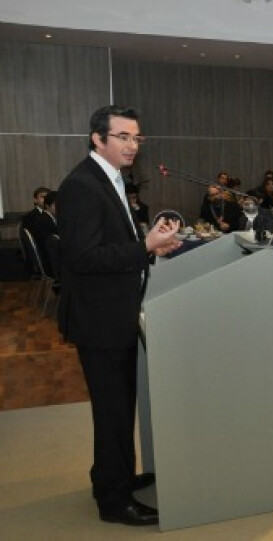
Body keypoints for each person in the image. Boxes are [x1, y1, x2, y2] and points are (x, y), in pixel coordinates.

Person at [57, 105, 182, 526]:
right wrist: (144, 246)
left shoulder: (108, 178)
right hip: (100, 319)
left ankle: (112, 479)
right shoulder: (81, 185)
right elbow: (84, 258)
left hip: (115, 313)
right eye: (123, 137)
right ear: (98, 138)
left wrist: (151, 245)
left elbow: (114, 243)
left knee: (119, 407)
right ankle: (113, 501)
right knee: (113, 412)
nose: (132, 145)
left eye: (136, 138)